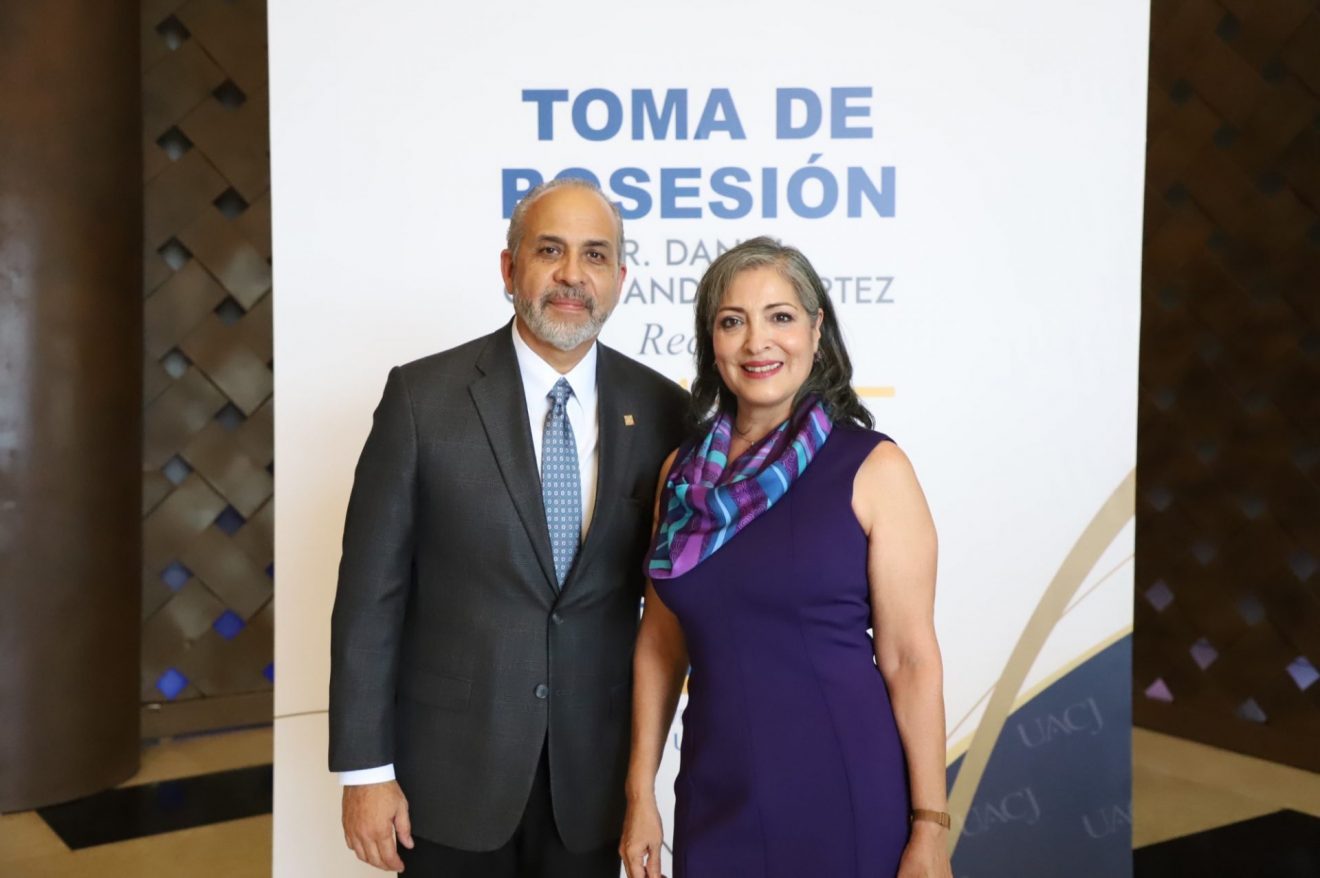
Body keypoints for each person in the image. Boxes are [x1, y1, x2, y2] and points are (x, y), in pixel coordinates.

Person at [329, 177, 689, 877]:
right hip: (447, 783)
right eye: (549, 250)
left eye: (595, 255)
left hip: (592, 787)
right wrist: (365, 771)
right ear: (509, 268)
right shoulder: (421, 399)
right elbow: (370, 596)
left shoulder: (663, 411)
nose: (572, 274)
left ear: (620, 279)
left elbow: (665, 608)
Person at [620, 237, 953, 878]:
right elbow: (660, 644)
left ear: (815, 330)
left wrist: (930, 827)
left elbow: (911, 660)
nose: (757, 342)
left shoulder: (875, 468)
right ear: (711, 342)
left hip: (844, 791)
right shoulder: (681, 477)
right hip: (716, 793)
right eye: (732, 321)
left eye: (780, 317)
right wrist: (640, 795)